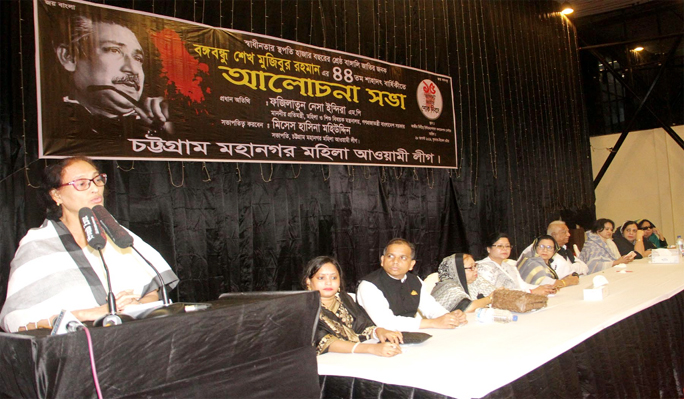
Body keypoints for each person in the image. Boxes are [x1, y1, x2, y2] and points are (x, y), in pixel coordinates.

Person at [0, 157, 178, 333]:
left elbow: (153, 291)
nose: (95, 188)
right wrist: (89, 313)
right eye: (82, 183)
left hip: (133, 341)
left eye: (97, 179)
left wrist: (136, 306)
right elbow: (16, 318)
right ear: (56, 195)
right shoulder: (37, 244)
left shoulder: (118, 233)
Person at [52, 13, 171, 141]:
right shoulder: (49, 123)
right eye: (114, 50)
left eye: (138, 58)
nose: (132, 69)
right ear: (69, 57)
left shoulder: (162, 125)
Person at [356, 238, 468, 331]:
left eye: (403, 258)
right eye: (390, 256)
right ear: (382, 260)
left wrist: (450, 317)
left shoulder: (415, 281)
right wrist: (433, 323)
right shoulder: (368, 285)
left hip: (410, 335)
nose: (395, 261)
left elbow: (431, 308)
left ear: (411, 264)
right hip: (376, 341)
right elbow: (386, 323)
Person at [303, 256, 403, 357]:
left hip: (354, 357)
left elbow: (362, 325)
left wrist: (379, 331)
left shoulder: (344, 298)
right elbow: (324, 341)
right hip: (323, 365)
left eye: (334, 277)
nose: (328, 282)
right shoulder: (304, 307)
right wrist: (370, 348)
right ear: (308, 281)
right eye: (321, 278)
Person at [476, 233, 555, 296]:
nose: (505, 249)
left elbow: (522, 285)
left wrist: (543, 288)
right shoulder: (482, 268)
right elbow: (495, 293)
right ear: (488, 249)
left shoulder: (509, 266)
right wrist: (532, 291)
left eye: (507, 246)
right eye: (500, 246)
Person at [431, 253, 496, 313]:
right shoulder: (447, 286)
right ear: (458, 270)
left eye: (475, 266)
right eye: (471, 268)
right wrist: (489, 299)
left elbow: (497, 294)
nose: (476, 270)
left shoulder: (475, 280)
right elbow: (467, 307)